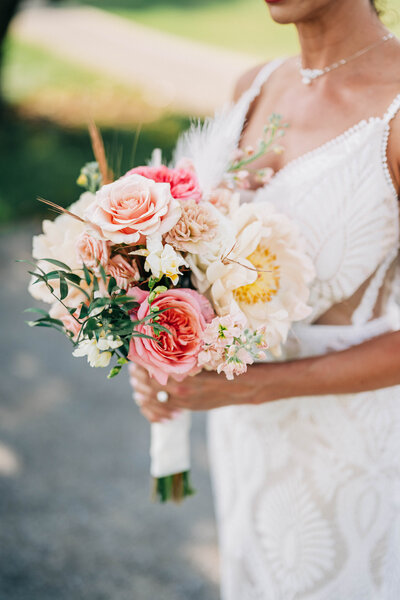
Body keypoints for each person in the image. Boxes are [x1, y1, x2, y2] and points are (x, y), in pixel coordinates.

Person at [130, 0, 400, 597]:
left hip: (355, 450)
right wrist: (158, 337)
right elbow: (189, 251)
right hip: (248, 442)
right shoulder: (251, 86)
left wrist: (257, 384)